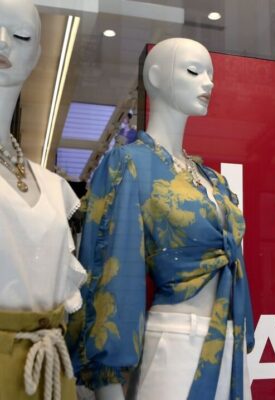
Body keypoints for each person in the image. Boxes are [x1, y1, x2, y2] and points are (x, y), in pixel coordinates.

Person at [68, 37, 254, 400]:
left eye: (211, 74)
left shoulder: (210, 179)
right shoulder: (130, 164)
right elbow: (111, 277)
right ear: (154, 76)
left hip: (229, 343)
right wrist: (108, 385)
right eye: (193, 71)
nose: (208, 83)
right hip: (176, 346)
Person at [0, 0, 86, 399]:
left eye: (20, 36)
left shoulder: (53, 187)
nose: (3, 42)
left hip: (50, 371)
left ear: (37, 55)